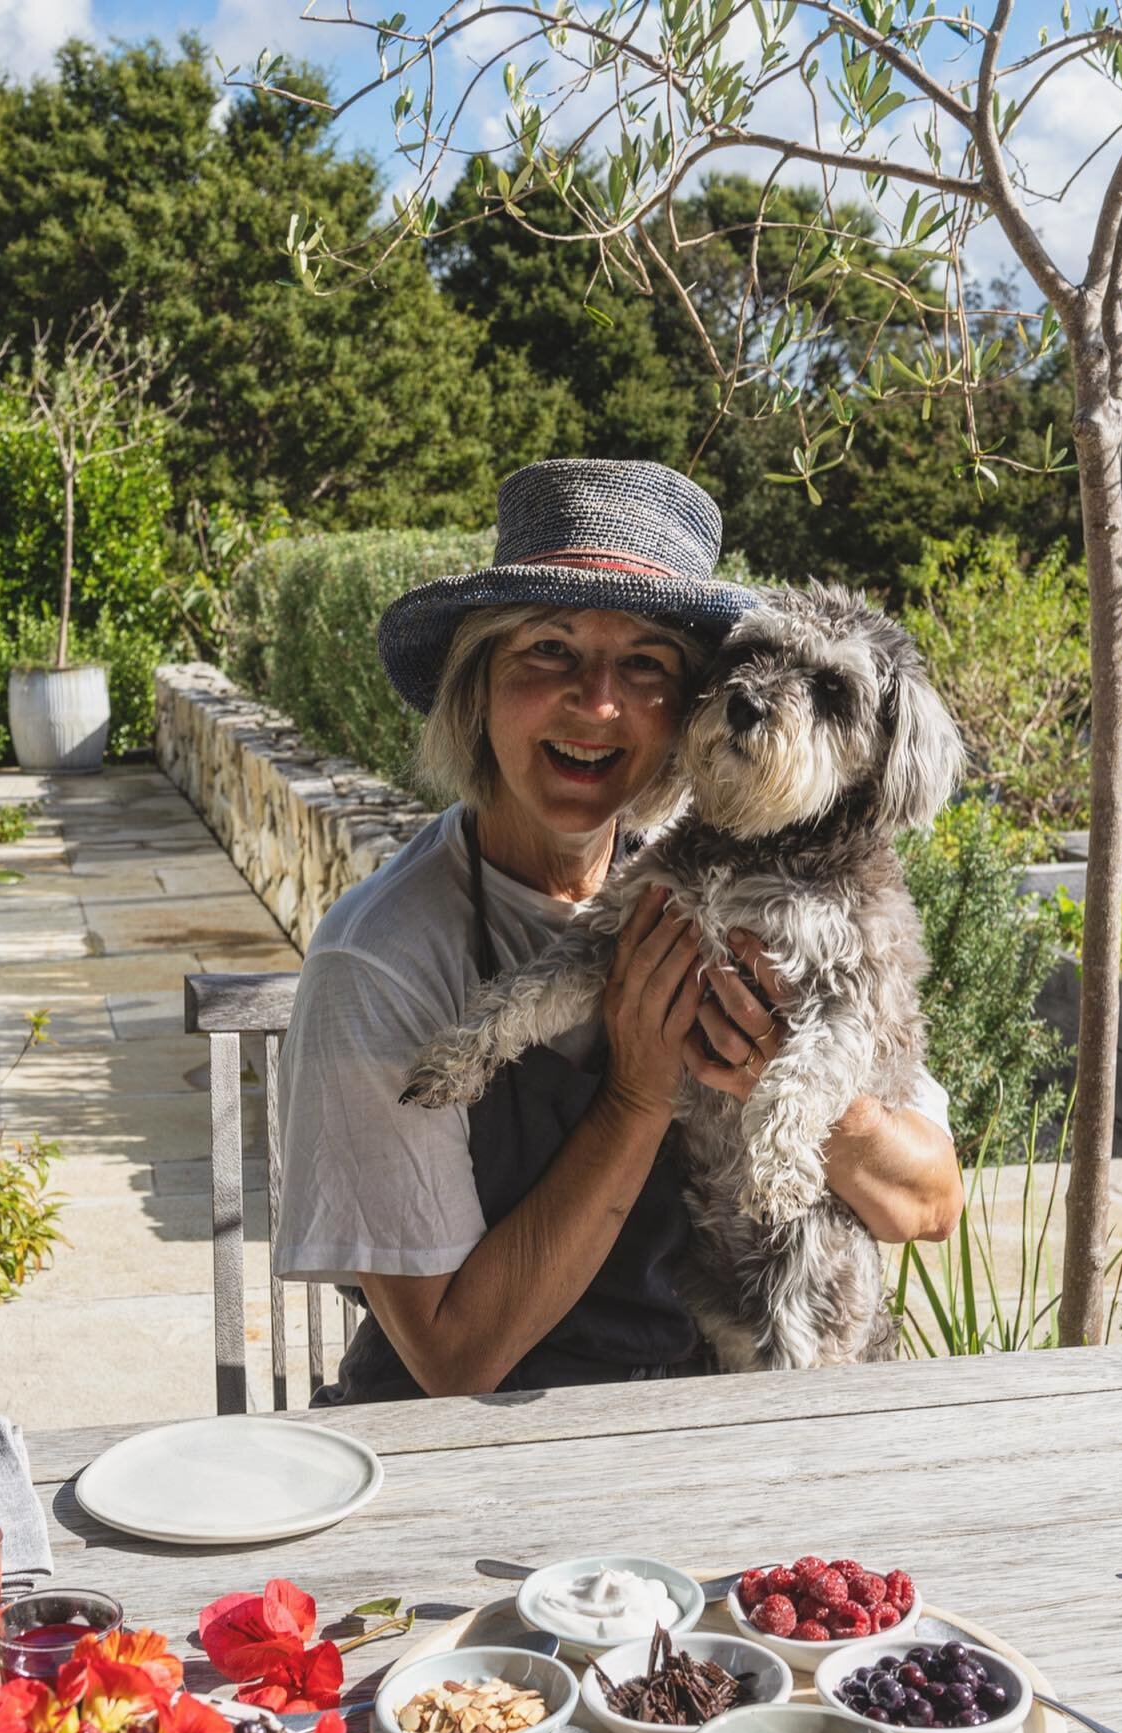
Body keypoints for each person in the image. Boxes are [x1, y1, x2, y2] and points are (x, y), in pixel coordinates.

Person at [275, 460, 963, 1404]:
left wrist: (795, 1087)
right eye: (548, 651)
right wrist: (638, 1094)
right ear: (475, 688)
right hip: (469, 1446)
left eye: (644, 664)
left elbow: (929, 1203)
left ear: (686, 704)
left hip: (708, 1397)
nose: (598, 702)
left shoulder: (718, 869)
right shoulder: (383, 957)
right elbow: (454, 1361)